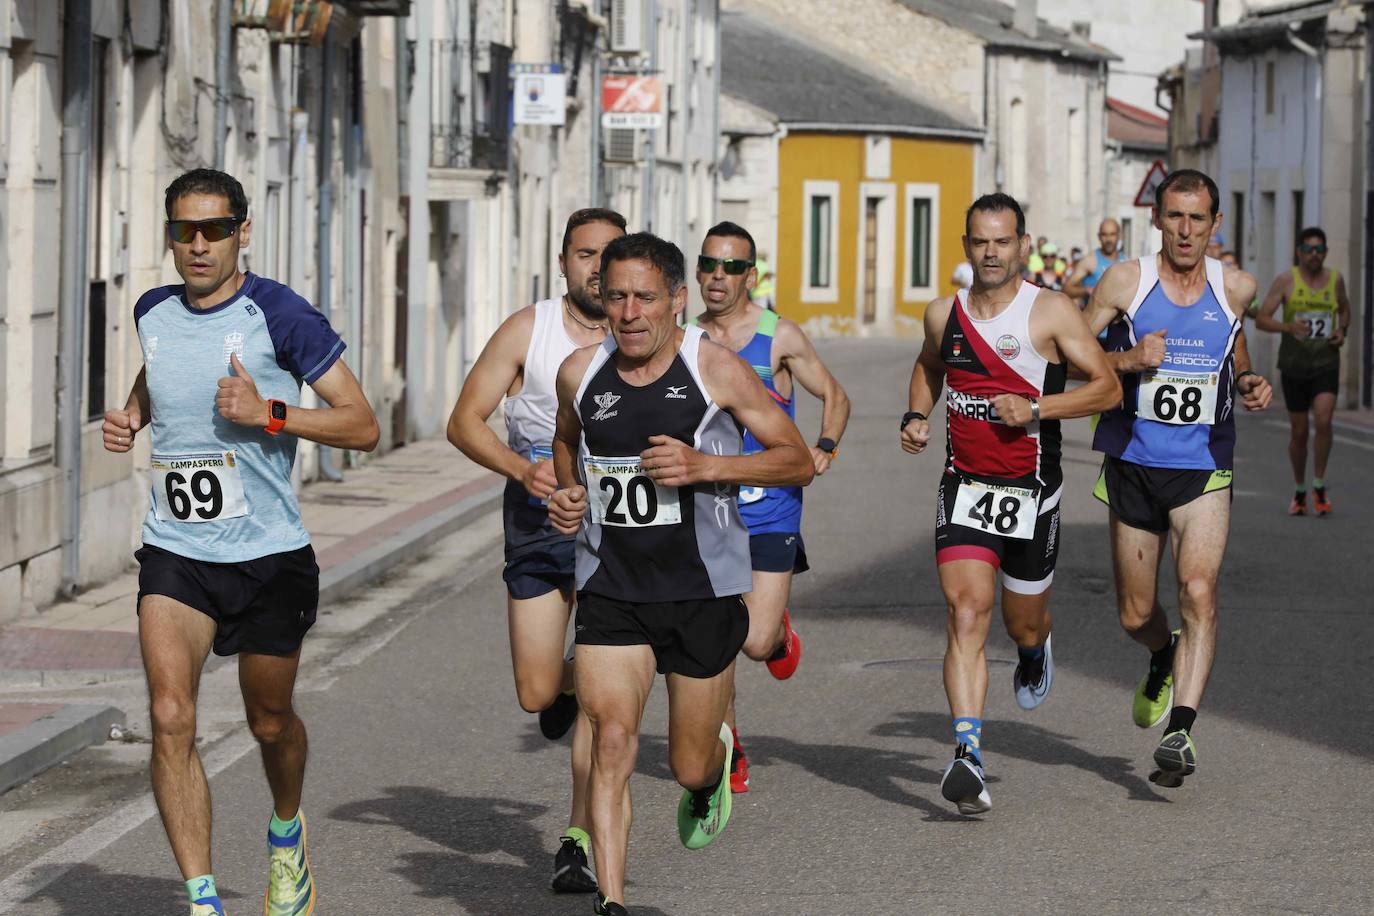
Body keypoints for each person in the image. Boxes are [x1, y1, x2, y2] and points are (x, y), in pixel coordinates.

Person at [103, 169, 379, 916]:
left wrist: (272, 414)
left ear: (242, 232)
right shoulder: (153, 310)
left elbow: (362, 423)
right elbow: (163, 368)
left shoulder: (280, 314)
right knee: (169, 715)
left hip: (267, 557)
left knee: (269, 722)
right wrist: (132, 413)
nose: (198, 245)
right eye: (183, 231)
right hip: (176, 552)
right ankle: (202, 899)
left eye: (214, 230)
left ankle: (286, 834)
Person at [548, 232, 814, 915]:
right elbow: (566, 439)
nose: (629, 313)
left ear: (676, 299)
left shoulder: (715, 370)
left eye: (644, 297)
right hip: (613, 589)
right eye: (615, 298)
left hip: (702, 591)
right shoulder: (579, 371)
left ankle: (711, 766)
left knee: (686, 766)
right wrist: (569, 491)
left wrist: (709, 467)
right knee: (611, 740)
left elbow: (796, 459)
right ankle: (612, 901)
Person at [900, 193, 1121, 815]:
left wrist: (1037, 409)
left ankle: (1033, 649)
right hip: (964, 488)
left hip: (1033, 494)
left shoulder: (1050, 312)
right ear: (966, 247)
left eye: (1002, 241)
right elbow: (927, 366)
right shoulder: (943, 313)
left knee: (1021, 621)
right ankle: (967, 753)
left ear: (1023, 244)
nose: (991, 252)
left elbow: (1104, 386)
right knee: (967, 611)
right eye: (980, 241)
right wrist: (918, 414)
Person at [446, 207, 627, 893]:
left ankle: (579, 837)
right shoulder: (531, 330)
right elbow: (463, 421)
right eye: (583, 254)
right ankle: (574, 678)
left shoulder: (641, 337)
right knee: (538, 690)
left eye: (608, 255)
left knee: (604, 702)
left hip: (618, 531)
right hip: (538, 524)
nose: (595, 267)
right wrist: (523, 470)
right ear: (563, 263)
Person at [1082, 169, 1272, 785]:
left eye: (1198, 219)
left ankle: (1180, 732)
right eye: (1174, 217)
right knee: (1137, 615)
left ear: (1215, 224)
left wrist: (1246, 380)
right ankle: (1162, 655)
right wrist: (1129, 359)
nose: (1185, 230)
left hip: (1203, 468)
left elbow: (1234, 346)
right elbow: (1067, 356)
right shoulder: (1125, 282)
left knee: (1197, 592)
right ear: (1157, 219)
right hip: (1134, 464)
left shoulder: (1236, 288)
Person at [692, 221, 850, 793]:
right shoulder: (685, 338)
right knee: (718, 635)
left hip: (771, 505)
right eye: (709, 264)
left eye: (732, 267)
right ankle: (727, 746)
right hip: (708, 508)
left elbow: (834, 394)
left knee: (754, 642)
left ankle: (779, 632)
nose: (718, 276)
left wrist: (825, 446)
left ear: (750, 276)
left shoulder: (777, 336)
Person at [1253, 227, 1351, 516]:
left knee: (1323, 421)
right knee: (1299, 433)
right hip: (1294, 366)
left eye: (1319, 249)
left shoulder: (1335, 280)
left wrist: (1341, 330)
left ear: (1325, 253)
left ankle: (1318, 483)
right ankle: (1299, 488)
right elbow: (1261, 319)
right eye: (1308, 249)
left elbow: (1345, 309)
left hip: (1325, 363)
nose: (1314, 255)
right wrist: (1288, 327)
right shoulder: (1286, 281)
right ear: (1299, 252)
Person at [1064, 219, 1127, 306]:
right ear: (1099, 236)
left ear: (1119, 236)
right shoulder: (1090, 261)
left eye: (1112, 234)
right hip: (1095, 316)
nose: (1108, 239)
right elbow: (1067, 288)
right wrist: (1087, 290)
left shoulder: (1125, 261)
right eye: (1104, 235)